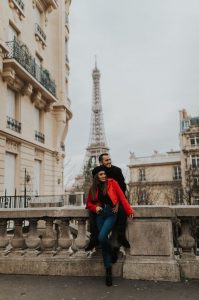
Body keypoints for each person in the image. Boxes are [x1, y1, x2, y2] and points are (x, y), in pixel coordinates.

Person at [86, 166, 134, 286]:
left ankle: (112, 253)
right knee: (103, 240)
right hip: (100, 214)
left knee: (102, 237)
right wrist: (95, 207)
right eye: (101, 174)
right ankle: (108, 271)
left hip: (111, 214)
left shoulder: (113, 183)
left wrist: (129, 211)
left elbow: (122, 198)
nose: (103, 176)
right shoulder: (93, 188)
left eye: (104, 174)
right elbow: (88, 204)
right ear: (96, 176)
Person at [85, 153, 130, 251]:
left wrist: (117, 203)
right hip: (102, 199)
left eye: (110, 159)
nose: (109, 161)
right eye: (106, 160)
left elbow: (122, 188)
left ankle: (121, 236)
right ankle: (94, 238)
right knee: (92, 212)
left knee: (122, 211)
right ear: (101, 162)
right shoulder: (96, 171)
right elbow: (95, 187)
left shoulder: (117, 170)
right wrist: (96, 205)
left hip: (117, 197)